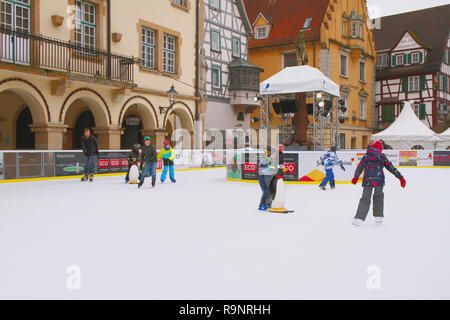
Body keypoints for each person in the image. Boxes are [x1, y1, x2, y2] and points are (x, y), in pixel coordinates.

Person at [351, 140, 406, 226]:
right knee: (379, 197)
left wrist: (355, 177)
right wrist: (400, 177)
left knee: (365, 198)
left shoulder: (367, 156)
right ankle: (378, 216)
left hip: (368, 180)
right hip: (379, 179)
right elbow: (391, 167)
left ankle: (359, 219)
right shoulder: (382, 156)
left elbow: (360, 167)